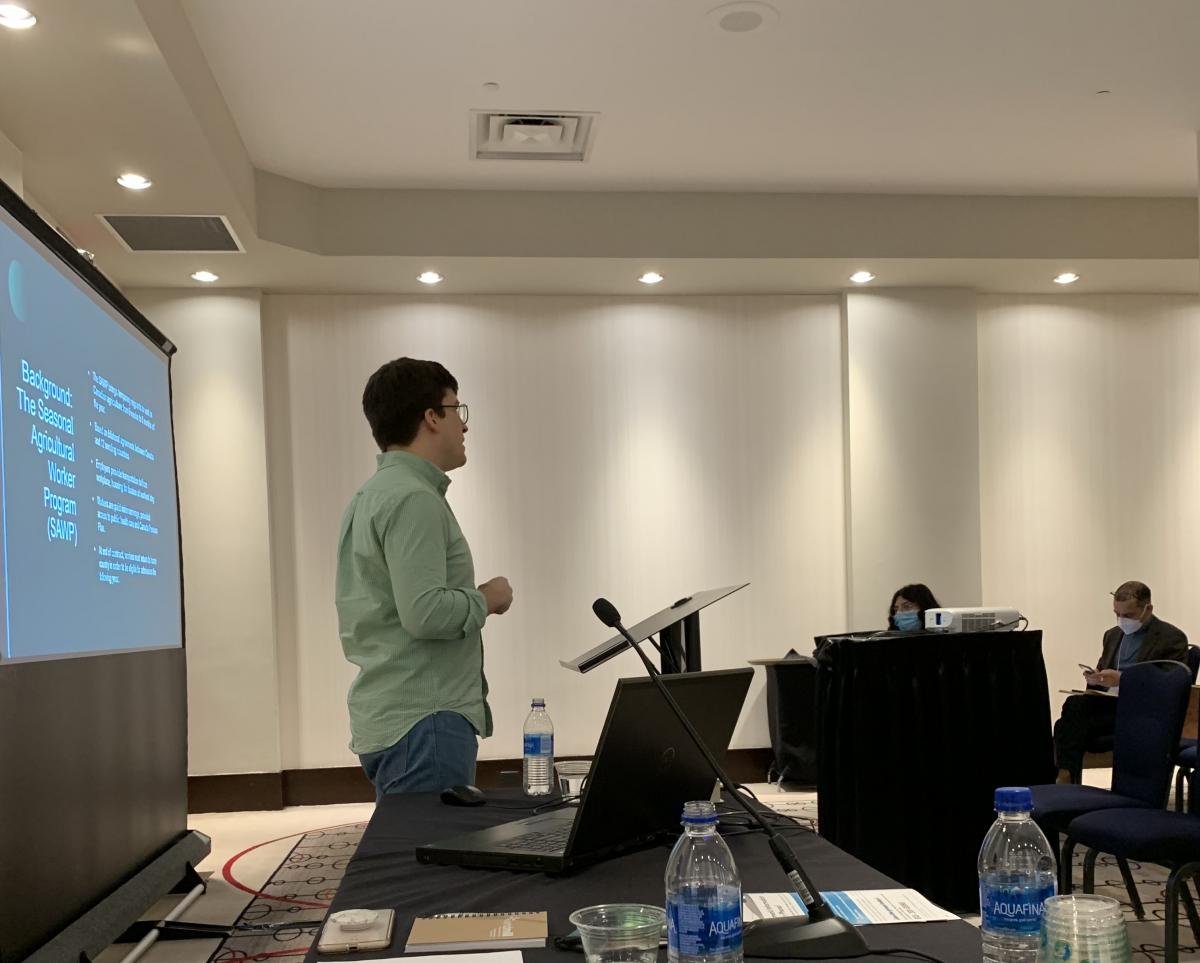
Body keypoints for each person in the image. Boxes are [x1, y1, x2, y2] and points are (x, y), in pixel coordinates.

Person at [335, 357, 513, 797]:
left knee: (408, 853)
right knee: (428, 860)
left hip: (398, 718)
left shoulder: (371, 496)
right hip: (426, 721)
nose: (464, 426)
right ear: (432, 418)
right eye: (457, 410)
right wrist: (488, 598)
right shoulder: (414, 499)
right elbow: (425, 613)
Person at [1052, 581, 1188, 783]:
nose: (1122, 620)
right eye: (1117, 614)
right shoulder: (1112, 635)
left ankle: (1067, 775)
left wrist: (1124, 679)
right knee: (1072, 709)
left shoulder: (1171, 638)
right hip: (1111, 705)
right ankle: (1066, 774)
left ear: (1147, 609)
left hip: (1144, 709)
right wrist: (1096, 678)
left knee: (1072, 727)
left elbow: (1171, 685)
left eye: (1129, 615)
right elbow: (1104, 672)